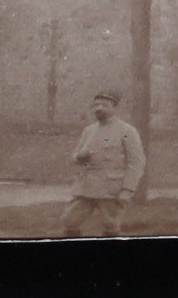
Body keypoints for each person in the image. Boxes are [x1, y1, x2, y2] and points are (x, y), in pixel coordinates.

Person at [62, 90, 145, 238]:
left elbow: (136, 163)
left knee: (110, 225)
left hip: (111, 188)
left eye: (104, 105)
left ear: (114, 108)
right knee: (69, 220)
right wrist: (80, 157)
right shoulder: (89, 130)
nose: (99, 108)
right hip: (86, 187)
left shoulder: (127, 131)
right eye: (96, 105)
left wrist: (128, 189)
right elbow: (75, 157)